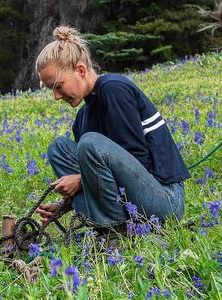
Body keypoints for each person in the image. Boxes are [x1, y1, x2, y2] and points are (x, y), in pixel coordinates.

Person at [35, 26, 190, 233]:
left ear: (80, 70)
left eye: (58, 85)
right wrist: (65, 206)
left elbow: (138, 161)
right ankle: (112, 227)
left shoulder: (114, 89)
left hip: (164, 200)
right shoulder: (82, 118)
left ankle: (113, 232)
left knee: (89, 143)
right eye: (50, 89)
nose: (56, 96)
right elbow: (104, 179)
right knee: (59, 148)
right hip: (131, 201)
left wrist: (81, 180)